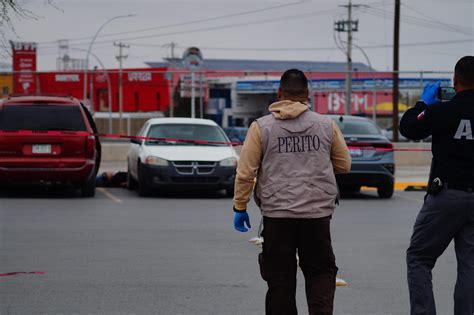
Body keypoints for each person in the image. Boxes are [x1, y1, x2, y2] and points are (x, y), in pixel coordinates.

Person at [232, 69, 351, 315]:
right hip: (316, 216)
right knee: (320, 274)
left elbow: (246, 173)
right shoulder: (326, 125)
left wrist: (240, 207)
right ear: (307, 94)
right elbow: (343, 165)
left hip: (277, 216)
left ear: (279, 93)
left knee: (280, 280)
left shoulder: (261, 127)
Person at [400, 56, 474, 315]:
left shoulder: (443, 110)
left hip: (446, 195)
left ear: (455, 81)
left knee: (419, 258)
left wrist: (423, 103)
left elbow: (408, 127)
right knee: (470, 266)